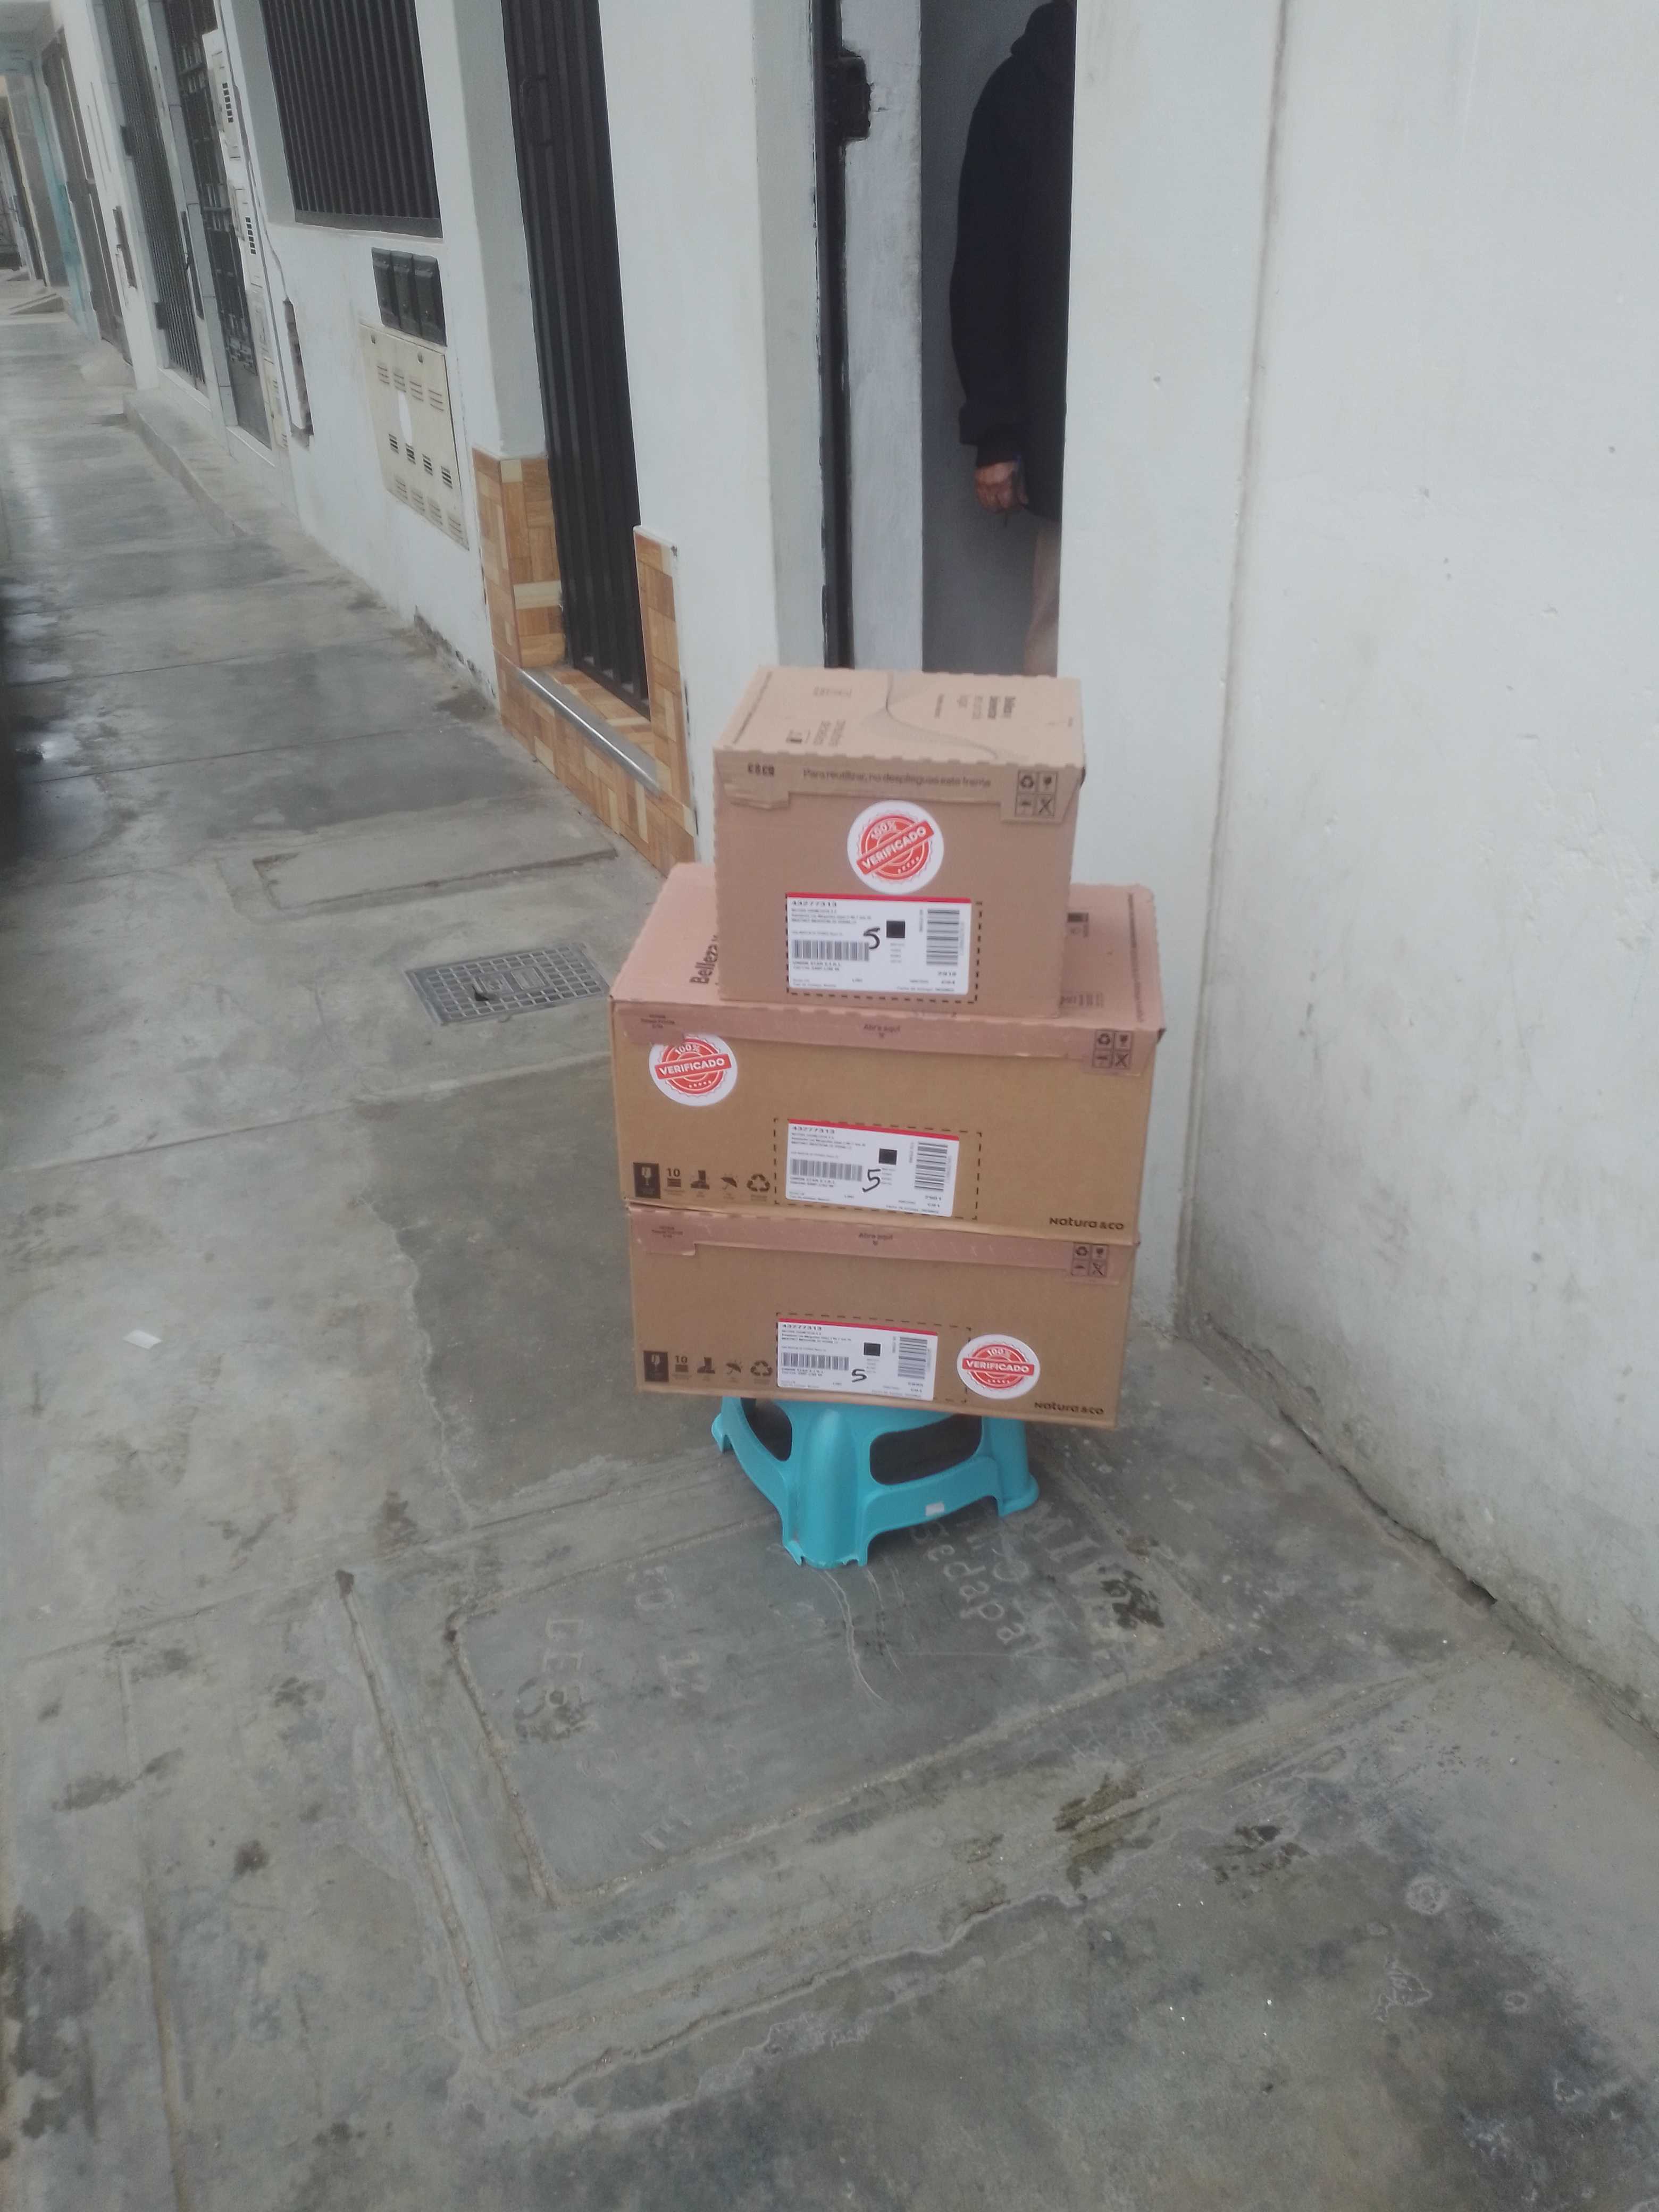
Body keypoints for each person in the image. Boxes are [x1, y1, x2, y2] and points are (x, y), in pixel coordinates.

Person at [949, 0, 1076, 677]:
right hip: (1070, 421)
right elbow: (985, 269)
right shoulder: (1027, 92)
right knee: (1061, 639)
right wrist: (997, 432)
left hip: (1182, 426)